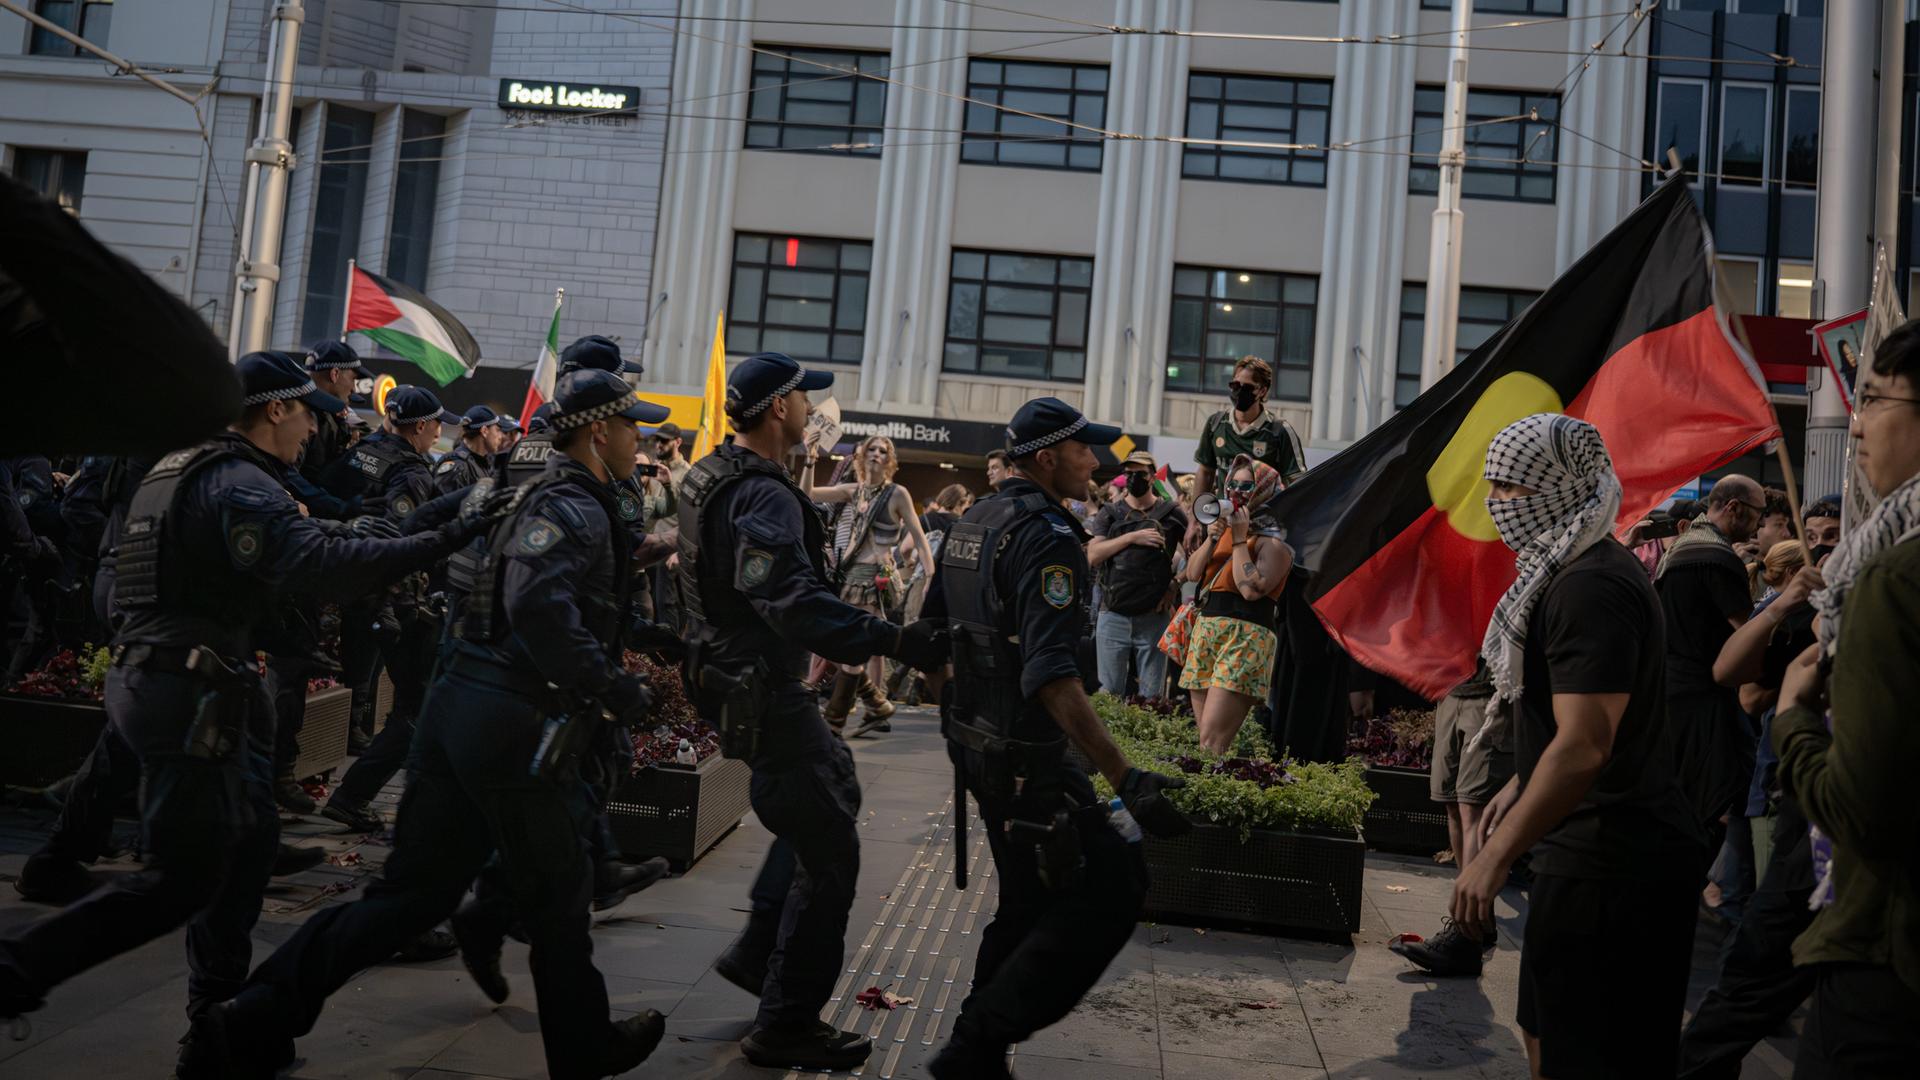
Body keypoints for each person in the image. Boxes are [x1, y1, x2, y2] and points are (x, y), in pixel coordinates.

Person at [0, 353, 504, 1071]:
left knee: (247, 850)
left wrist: (451, 509)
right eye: (307, 413)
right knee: (185, 878)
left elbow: (344, 530)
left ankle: (221, 1021)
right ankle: (23, 968)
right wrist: (455, 532)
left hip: (189, 685)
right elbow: (329, 565)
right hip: (187, 694)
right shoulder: (236, 484)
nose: (313, 430)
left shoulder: (203, 466)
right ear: (275, 410)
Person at [187, 367, 679, 1079]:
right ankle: (585, 1049)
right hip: (514, 723)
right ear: (600, 430)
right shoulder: (568, 501)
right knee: (561, 896)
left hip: (462, 709)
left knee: (410, 896)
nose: (642, 439)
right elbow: (538, 605)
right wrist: (609, 685)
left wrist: (654, 644)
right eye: (634, 426)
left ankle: (255, 1012)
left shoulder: (534, 492)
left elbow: (556, 596)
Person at [676, 352, 944, 1070]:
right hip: (762, 687)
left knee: (833, 789)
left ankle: (758, 947)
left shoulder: (709, 476)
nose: (813, 412)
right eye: (804, 400)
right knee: (830, 852)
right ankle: (787, 1020)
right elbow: (791, 603)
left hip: (735, 679)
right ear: (778, 411)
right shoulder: (763, 496)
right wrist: (897, 639)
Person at [922, 396, 1191, 1079]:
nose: (1095, 462)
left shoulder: (972, 522)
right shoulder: (1048, 538)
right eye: (1082, 449)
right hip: (1029, 759)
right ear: (1046, 458)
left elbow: (929, 641)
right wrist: (1126, 778)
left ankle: (975, 1055)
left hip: (982, 749)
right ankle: (975, 1043)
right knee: (1112, 883)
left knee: (1027, 901)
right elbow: (1053, 677)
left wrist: (967, 722)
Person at [1448, 413, 1704, 1080]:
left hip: (1616, 860)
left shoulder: (1588, 585)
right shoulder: (1576, 573)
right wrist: (1521, 782)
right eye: (1495, 486)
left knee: (1584, 1055)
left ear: (1559, 489)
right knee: (1545, 1032)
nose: (1496, 504)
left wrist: (1492, 858)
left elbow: (1587, 744)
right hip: (1595, 850)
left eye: (1510, 488)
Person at [1769, 323, 1920, 1073]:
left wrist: (1794, 718)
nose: (1856, 422)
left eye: (1877, 397)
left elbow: (1860, 806)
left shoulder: (1896, 578)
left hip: (1888, 950)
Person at [1676, 539, 1821, 1080]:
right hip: (1793, 803)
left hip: (1843, 814)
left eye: (1835, 537)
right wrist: (1786, 605)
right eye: (1819, 538)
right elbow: (1735, 679)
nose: (1826, 549)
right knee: (1752, 943)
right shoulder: (1814, 606)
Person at [317, 386, 462, 833]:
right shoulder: (412, 473)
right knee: (416, 705)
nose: (439, 432)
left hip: (346, 589)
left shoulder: (361, 453)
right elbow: (411, 539)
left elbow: (326, 498)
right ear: (421, 426)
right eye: (438, 424)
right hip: (394, 599)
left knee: (371, 691)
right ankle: (353, 796)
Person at [1656, 473, 1765, 856]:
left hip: (1667, 694)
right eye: (1756, 515)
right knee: (1719, 794)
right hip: (1706, 699)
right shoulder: (1718, 558)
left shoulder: (1681, 548)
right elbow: (1746, 630)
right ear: (1734, 508)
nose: (1759, 526)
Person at [807, 435, 935, 738]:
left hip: (874, 580)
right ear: (861, 457)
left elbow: (919, 537)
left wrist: (930, 577)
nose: (877, 454)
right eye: (872, 449)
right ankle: (875, 703)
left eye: (883, 450)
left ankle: (843, 717)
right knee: (855, 644)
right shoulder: (853, 491)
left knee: (852, 644)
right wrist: (811, 458)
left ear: (890, 460)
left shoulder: (897, 494)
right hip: (850, 578)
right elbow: (808, 493)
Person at [1395, 660, 1508, 976]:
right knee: (1453, 805)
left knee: (1474, 808)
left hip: (1492, 692)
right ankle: (1478, 919)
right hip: (1452, 687)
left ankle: (1464, 936)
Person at [1176, 454, 1293, 753]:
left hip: (1245, 637)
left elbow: (1252, 590)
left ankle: (1209, 795)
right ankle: (1207, 794)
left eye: (1246, 485)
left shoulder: (1275, 542)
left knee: (1211, 742)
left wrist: (1240, 541)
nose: (1236, 492)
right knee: (1205, 742)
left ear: (1263, 490)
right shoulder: (1222, 530)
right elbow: (1191, 573)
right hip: (1207, 632)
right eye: (1233, 484)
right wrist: (1213, 539)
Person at [1087, 450, 1186, 700]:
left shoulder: (1171, 513)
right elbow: (1093, 555)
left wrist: (1175, 583)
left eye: (1139, 473)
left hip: (1154, 615)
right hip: (1113, 611)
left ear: (1152, 477)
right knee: (1109, 694)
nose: (1133, 478)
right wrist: (1132, 537)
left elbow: (1196, 552)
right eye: (1128, 473)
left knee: (1152, 697)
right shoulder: (1110, 512)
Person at [433, 406, 506, 495]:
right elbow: (442, 506)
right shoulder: (459, 466)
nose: (500, 436)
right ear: (484, 431)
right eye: (497, 430)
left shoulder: (484, 462)